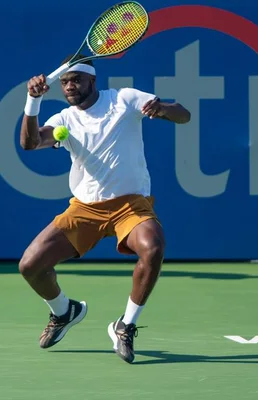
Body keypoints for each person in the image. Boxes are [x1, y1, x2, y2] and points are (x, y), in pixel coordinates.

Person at [18, 54, 191, 364]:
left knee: (153, 248)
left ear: (92, 81)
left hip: (130, 205)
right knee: (30, 265)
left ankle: (126, 325)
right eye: (65, 82)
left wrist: (162, 109)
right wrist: (33, 101)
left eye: (76, 80)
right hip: (84, 209)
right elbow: (29, 143)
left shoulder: (124, 99)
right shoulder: (64, 120)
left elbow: (184, 115)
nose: (69, 86)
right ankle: (63, 312)